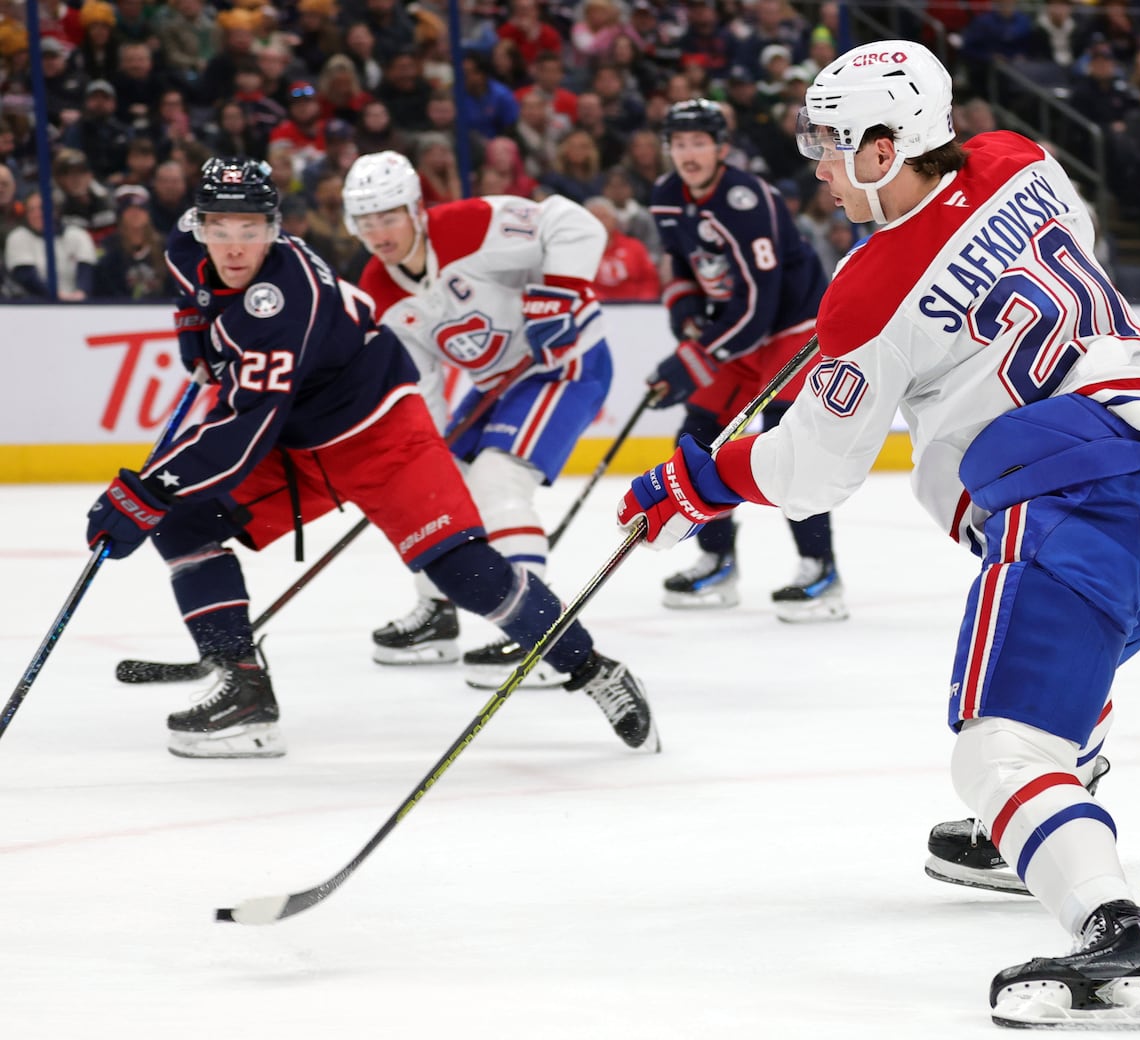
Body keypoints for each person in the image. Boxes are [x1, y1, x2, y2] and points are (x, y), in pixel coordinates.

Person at [618, 41, 1140, 1029]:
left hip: (1071, 498)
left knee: (996, 751)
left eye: (830, 138)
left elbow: (815, 467)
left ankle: (1114, 933)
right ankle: (1030, 826)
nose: (814, 159)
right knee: (1075, 672)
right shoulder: (1019, 157)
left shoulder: (868, 285)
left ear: (889, 143)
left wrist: (698, 475)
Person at [83, 157, 655, 758]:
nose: (234, 246)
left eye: (250, 230)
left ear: (275, 228)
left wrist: (145, 489)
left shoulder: (284, 300)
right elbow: (193, 288)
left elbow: (241, 435)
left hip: (382, 435)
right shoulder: (185, 243)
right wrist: (193, 326)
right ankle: (244, 691)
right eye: (220, 228)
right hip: (301, 442)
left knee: (460, 570)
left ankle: (592, 668)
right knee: (185, 521)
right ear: (199, 224)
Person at [343, 150, 618, 689]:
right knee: (431, 489)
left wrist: (561, 291)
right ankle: (439, 609)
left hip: (566, 362)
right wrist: (425, 453)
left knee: (497, 481)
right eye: (367, 221)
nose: (380, 232)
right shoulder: (379, 291)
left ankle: (541, 637)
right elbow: (419, 385)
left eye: (389, 215)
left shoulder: (469, 225)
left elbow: (573, 222)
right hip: (500, 385)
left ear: (416, 209)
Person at [645, 98, 846, 622]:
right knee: (694, 441)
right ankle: (715, 560)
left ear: (721, 148)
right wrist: (684, 304)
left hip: (791, 330)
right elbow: (680, 263)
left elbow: (759, 306)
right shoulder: (667, 196)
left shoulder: (745, 199)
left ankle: (820, 570)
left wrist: (692, 359)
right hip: (736, 333)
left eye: (698, 142)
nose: (688, 153)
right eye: (679, 143)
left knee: (789, 449)